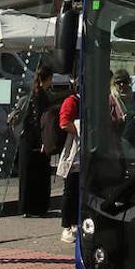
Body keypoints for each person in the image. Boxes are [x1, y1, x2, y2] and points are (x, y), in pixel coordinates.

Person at [18, 63, 55, 217]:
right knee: (40, 176)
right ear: (47, 79)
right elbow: (41, 121)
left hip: (26, 140)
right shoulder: (43, 97)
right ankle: (39, 208)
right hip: (37, 140)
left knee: (27, 176)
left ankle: (25, 208)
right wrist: (43, 142)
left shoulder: (31, 95)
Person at [57, 88, 82, 243]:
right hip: (73, 153)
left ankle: (75, 223)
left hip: (84, 153)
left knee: (79, 191)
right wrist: (81, 129)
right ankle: (66, 226)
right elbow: (64, 123)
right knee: (70, 191)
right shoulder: (72, 101)